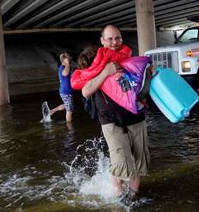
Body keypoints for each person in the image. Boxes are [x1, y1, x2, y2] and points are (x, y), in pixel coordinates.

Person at [81, 25, 150, 201]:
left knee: (139, 160)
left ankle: (133, 197)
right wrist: (106, 72)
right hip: (111, 122)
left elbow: (143, 88)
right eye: (110, 39)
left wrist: (149, 73)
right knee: (121, 163)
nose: (114, 42)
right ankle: (119, 198)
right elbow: (86, 91)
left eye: (118, 38)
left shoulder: (131, 60)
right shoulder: (95, 63)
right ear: (102, 41)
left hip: (136, 118)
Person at [48, 52, 73, 122]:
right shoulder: (63, 68)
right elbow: (65, 74)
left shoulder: (66, 68)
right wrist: (67, 64)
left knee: (67, 105)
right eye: (68, 58)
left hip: (65, 91)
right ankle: (69, 125)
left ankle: (52, 111)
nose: (70, 59)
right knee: (69, 109)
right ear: (64, 60)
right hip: (66, 91)